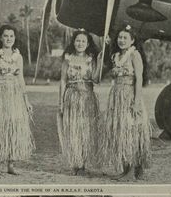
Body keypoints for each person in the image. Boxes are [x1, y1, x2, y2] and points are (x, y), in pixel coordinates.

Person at [0, 25, 35, 175]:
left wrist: (26, 101)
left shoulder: (18, 57)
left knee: (13, 127)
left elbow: (21, 79)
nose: (9, 39)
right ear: (0, 37)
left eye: (11, 36)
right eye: (6, 36)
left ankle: (10, 164)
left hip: (15, 95)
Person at [101, 24, 151, 181]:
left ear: (132, 40)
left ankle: (132, 171)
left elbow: (139, 79)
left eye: (125, 38)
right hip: (117, 97)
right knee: (120, 132)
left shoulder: (134, 55)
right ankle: (126, 169)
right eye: (120, 38)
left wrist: (136, 102)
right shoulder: (115, 56)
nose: (122, 40)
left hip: (130, 96)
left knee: (130, 132)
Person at [57, 29, 100, 175]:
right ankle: (76, 163)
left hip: (87, 98)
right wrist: (61, 102)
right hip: (71, 97)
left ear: (88, 44)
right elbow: (63, 80)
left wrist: (99, 62)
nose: (80, 43)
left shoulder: (91, 59)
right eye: (77, 40)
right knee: (73, 130)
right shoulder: (68, 58)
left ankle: (83, 163)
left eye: (83, 41)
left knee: (85, 130)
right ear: (73, 42)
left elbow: (96, 79)